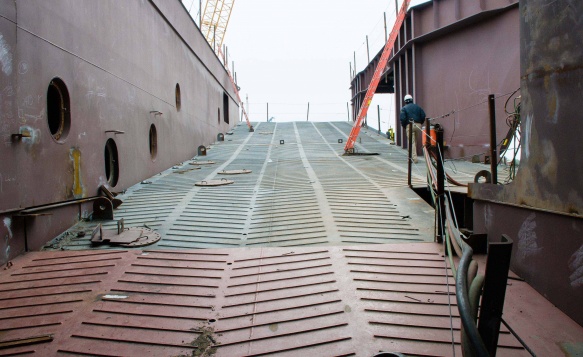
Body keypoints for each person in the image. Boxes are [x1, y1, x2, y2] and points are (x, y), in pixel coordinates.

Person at [399, 94, 426, 163]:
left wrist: (405, 126)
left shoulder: (404, 108)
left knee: (411, 142)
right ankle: (410, 157)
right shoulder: (418, 107)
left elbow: (402, 118)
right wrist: (420, 123)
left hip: (409, 125)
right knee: (415, 141)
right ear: (412, 100)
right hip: (418, 125)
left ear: (405, 101)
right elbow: (423, 115)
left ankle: (414, 158)